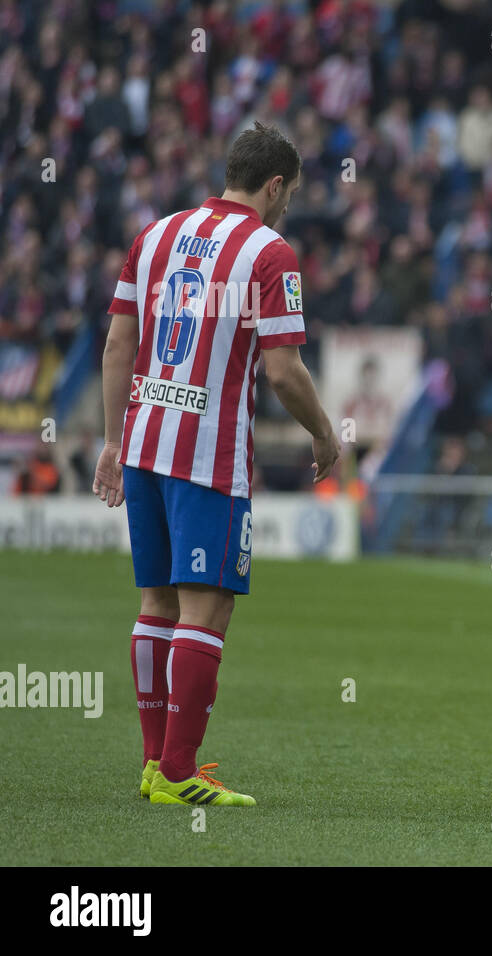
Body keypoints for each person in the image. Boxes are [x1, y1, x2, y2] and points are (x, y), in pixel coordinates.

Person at [94, 122, 340, 807]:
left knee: (156, 605)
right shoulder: (270, 252)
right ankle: (177, 771)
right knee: (205, 613)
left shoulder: (156, 234)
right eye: (288, 192)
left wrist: (114, 442)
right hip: (207, 456)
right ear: (276, 185)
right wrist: (323, 433)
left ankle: (155, 765)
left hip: (143, 443)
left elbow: (119, 345)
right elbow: (285, 371)